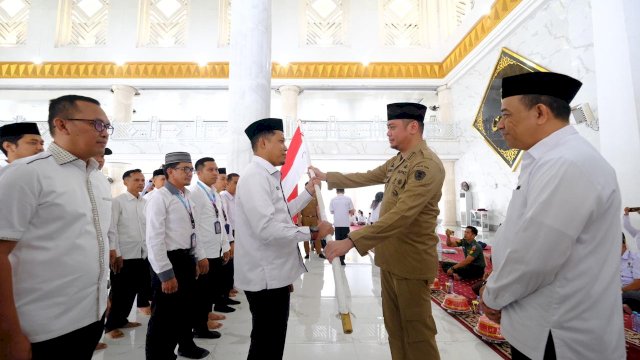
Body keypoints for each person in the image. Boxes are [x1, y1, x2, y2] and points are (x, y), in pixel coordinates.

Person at [479, 72, 625, 359]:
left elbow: (535, 256)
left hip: (560, 333)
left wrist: (492, 297)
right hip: (539, 324)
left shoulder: (568, 163)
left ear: (540, 112)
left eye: (507, 115)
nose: (501, 125)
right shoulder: (547, 160)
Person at [311, 101, 445, 360]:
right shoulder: (398, 161)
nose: (388, 132)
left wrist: (350, 240)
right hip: (390, 259)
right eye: (388, 127)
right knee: (395, 329)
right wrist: (327, 176)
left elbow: (401, 216)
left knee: (417, 334)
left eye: (392, 127)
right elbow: (366, 176)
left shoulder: (426, 166)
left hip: (411, 263)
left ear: (413, 127)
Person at [0, 94, 113, 359]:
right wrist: (8, 333)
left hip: (90, 319)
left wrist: (100, 298)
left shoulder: (96, 178)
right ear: (62, 125)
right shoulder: (26, 174)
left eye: (107, 126)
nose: (104, 133)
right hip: (43, 329)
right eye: (96, 124)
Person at [234, 118, 334, 360]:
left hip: (273, 274)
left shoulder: (268, 175)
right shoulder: (255, 176)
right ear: (264, 142)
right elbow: (267, 229)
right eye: (281, 141)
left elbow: (283, 213)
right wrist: (312, 233)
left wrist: (308, 191)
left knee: (272, 337)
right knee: (266, 340)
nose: (286, 147)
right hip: (265, 276)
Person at [145, 152, 210, 360]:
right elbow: (154, 238)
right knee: (164, 315)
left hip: (186, 259)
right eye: (185, 169)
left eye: (191, 169)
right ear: (170, 171)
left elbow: (195, 229)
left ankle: (186, 345)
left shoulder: (186, 196)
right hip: (168, 261)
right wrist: (165, 273)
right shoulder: (159, 197)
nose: (190, 173)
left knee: (185, 309)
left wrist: (200, 256)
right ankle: (158, 356)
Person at [104, 169, 150, 339]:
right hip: (124, 254)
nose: (140, 183)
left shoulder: (145, 202)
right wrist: (115, 252)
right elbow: (112, 228)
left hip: (142, 253)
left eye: (143, 180)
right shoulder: (118, 202)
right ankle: (110, 327)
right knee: (119, 291)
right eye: (137, 180)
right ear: (125, 182)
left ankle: (122, 320)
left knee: (133, 290)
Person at [189, 156, 231, 336]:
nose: (216, 173)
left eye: (216, 170)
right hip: (204, 251)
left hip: (216, 250)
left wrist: (225, 245)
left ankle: (205, 316)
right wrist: (200, 255)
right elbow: (194, 226)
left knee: (208, 290)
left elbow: (220, 221)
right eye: (211, 170)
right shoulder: (195, 193)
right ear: (199, 173)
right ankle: (199, 326)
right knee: (200, 292)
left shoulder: (213, 192)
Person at [215, 168, 240, 310]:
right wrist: (230, 240)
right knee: (224, 267)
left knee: (229, 265)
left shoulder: (225, 197)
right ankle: (221, 298)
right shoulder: (223, 196)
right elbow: (226, 220)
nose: (224, 182)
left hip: (230, 234)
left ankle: (225, 295)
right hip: (224, 235)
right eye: (222, 179)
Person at [297, 181, 325, 259]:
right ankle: (307, 253)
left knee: (317, 236)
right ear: (305, 188)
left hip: (314, 218)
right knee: (305, 236)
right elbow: (299, 210)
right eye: (307, 187)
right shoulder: (302, 197)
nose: (308, 188)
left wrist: (319, 220)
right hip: (305, 218)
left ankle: (319, 252)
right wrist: (299, 222)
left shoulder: (315, 195)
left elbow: (317, 209)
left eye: (309, 186)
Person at [329, 188, 355, 265]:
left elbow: (331, 211)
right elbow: (352, 210)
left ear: (336, 191)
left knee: (338, 241)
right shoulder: (348, 199)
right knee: (344, 243)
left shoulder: (333, 199)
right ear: (344, 191)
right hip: (345, 224)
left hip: (337, 224)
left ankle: (338, 258)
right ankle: (342, 260)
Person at [621, 233, 640, 312]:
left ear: (624, 243)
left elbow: (638, 284)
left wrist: (621, 290)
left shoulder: (635, 257)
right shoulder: (609, 260)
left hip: (630, 291)